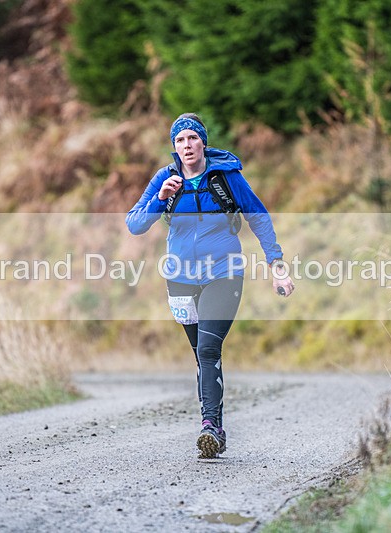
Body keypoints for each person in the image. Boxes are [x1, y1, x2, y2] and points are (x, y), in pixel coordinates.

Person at [125, 113, 294, 458]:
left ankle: (210, 427)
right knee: (201, 357)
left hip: (223, 273)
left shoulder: (226, 177)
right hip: (180, 278)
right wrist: (159, 199)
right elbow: (134, 225)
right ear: (174, 147)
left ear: (203, 142)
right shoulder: (165, 178)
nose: (187, 145)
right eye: (180, 140)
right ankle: (214, 425)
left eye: (192, 138)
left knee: (208, 350)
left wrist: (277, 266)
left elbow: (258, 217)